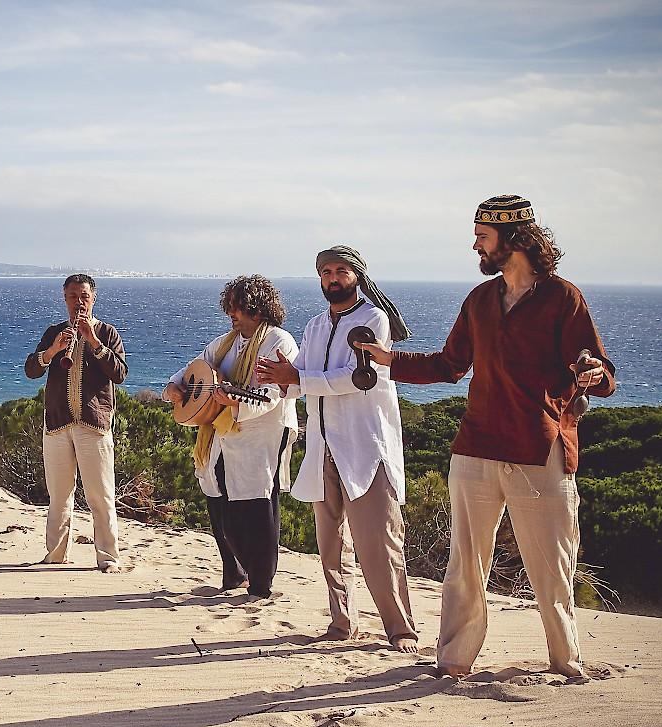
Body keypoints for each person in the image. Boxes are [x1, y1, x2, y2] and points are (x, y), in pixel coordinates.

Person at [355, 194, 616, 679]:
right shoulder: (478, 300)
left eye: (482, 236)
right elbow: (449, 365)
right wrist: (391, 361)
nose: (475, 244)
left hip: (541, 451)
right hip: (474, 448)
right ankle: (452, 663)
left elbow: (599, 371)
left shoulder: (563, 297)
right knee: (465, 566)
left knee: (552, 570)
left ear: (514, 239)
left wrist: (594, 375)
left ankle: (566, 663)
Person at [256, 247, 419, 652]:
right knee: (330, 547)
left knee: (379, 544)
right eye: (326, 272)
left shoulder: (372, 320)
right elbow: (302, 382)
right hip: (322, 447)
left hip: (366, 449)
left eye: (340, 271)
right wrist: (280, 380)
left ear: (357, 275)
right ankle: (341, 623)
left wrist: (298, 377)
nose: (333, 278)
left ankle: (401, 630)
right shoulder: (313, 326)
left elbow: (356, 378)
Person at [164, 275, 298, 599]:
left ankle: (261, 584)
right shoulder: (224, 343)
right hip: (220, 436)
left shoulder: (279, 341)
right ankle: (232, 575)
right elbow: (190, 372)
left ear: (257, 307)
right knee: (219, 504)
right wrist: (174, 388)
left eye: (237, 308)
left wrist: (236, 401)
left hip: (260, 435)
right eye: (230, 309)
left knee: (257, 506)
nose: (232, 315)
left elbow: (273, 393)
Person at [25, 274, 127, 571]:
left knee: (100, 494)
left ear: (93, 298)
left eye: (84, 296)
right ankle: (55, 554)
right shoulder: (55, 332)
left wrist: (94, 342)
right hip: (57, 424)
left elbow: (120, 373)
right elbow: (32, 369)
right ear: (64, 299)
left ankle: (108, 557)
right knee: (58, 495)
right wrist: (54, 350)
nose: (78, 302)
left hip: (93, 425)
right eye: (72, 296)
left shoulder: (107, 332)